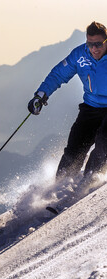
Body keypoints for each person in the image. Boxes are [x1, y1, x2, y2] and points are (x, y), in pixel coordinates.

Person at [28, 21, 107, 184]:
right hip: (91, 108)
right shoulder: (80, 55)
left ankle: (88, 184)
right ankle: (59, 189)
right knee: (74, 149)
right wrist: (41, 95)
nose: (94, 49)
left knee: (103, 144)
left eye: (98, 44)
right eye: (90, 44)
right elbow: (58, 75)